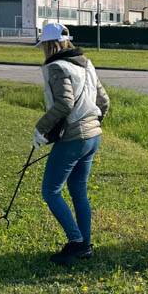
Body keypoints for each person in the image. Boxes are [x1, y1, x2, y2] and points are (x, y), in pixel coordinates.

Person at [32, 22, 109, 265]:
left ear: (48, 44)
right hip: (92, 135)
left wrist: (41, 129)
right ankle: (85, 244)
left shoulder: (57, 67)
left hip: (74, 138)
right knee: (78, 190)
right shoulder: (86, 63)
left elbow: (64, 104)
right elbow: (104, 100)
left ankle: (76, 242)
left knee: (51, 191)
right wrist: (95, 123)